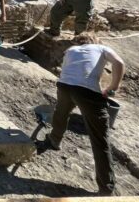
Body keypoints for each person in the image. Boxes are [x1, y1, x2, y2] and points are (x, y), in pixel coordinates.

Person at [40, 33, 124, 195]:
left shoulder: (71, 50)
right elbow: (119, 63)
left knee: (60, 113)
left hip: (64, 85)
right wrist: (113, 87)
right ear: (95, 41)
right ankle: (106, 188)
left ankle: (54, 140)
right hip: (86, 92)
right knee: (100, 139)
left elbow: (70, 71)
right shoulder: (101, 48)